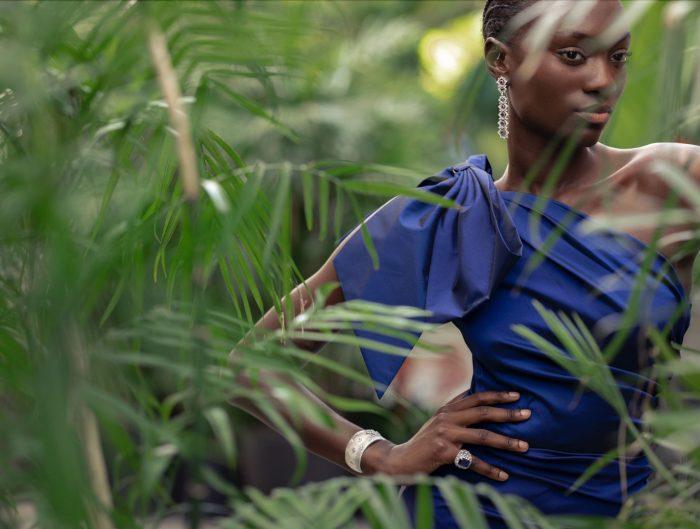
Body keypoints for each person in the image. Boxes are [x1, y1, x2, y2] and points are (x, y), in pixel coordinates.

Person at [229, 0, 699, 527]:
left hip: (636, 509)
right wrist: (379, 453)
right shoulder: (446, 219)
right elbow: (250, 369)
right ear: (500, 59)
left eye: (618, 57)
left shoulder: (672, 181)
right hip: (475, 509)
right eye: (573, 55)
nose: (602, 80)